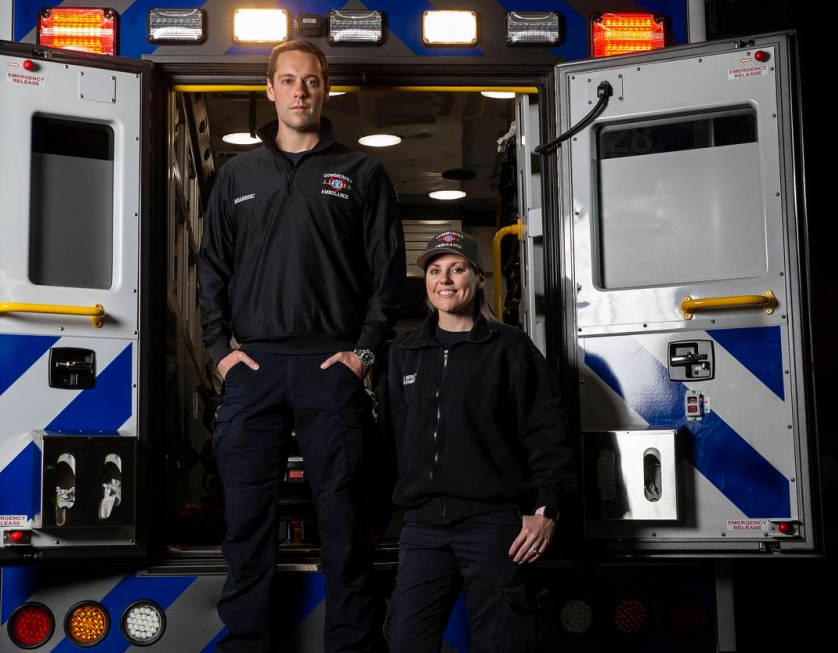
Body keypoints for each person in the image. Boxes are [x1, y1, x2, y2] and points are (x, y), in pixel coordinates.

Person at [197, 39, 405, 653]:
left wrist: (363, 353)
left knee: (343, 519)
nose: (299, 91)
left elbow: (386, 277)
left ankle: (350, 644)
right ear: (270, 90)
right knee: (246, 521)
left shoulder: (363, 173)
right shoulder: (237, 175)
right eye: (287, 80)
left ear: (326, 89)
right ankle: (248, 643)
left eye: (311, 81)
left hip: (330, 364)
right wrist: (220, 350)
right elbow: (211, 271)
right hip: (253, 366)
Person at [383, 230, 576, 653]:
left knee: (504, 642)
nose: (445, 280)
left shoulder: (510, 348)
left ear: (479, 278)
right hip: (423, 527)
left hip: (493, 525)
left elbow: (546, 432)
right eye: (435, 271)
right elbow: (390, 440)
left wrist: (546, 508)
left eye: (457, 269)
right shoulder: (404, 352)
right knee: (405, 641)